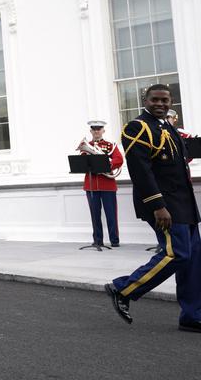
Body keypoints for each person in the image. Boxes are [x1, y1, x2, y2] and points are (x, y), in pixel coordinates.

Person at [105, 84, 201, 332]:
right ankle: (123, 289)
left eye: (165, 100)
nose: (160, 104)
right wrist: (157, 205)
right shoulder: (137, 127)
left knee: (193, 260)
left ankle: (192, 315)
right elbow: (140, 171)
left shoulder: (168, 126)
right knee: (176, 254)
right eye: (155, 100)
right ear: (145, 101)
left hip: (184, 204)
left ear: (171, 102)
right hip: (164, 205)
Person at [76, 120, 124, 248]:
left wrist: (106, 165)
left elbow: (119, 159)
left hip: (107, 184)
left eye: (99, 129)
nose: (96, 131)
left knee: (111, 214)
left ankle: (114, 240)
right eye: (94, 129)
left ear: (103, 130)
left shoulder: (110, 145)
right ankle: (98, 240)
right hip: (91, 185)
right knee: (95, 214)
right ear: (91, 131)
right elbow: (82, 162)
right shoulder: (86, 146)